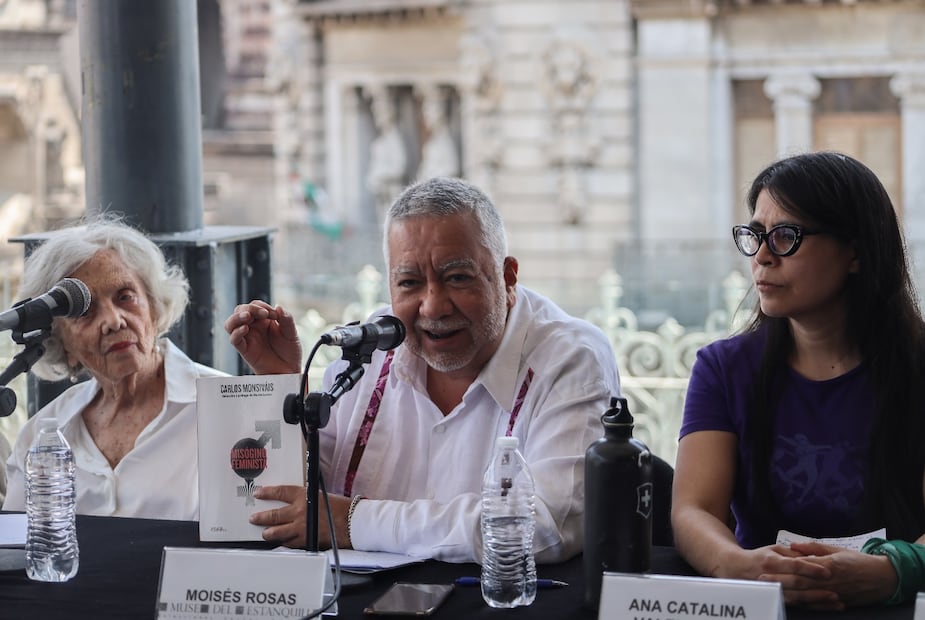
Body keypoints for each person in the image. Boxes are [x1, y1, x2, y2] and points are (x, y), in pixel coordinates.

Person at [224, 176, 621, 563]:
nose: (433, 306)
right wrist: (280, 384)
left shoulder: (570, 357)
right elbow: (302, 503)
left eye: (457, 277)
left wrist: (353, 521)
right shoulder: (373, 346)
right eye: (410, 283)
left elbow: (545, 526)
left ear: (507, 276)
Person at [672, 151, 925, 610]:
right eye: (755, 236)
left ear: (856, 251)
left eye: (786, 236)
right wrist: (738, 565)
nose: (762, 257)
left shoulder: (917, 366)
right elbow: (695, 511)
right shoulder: (723, 368)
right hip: (763, 604)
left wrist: (893, 569)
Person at [3, 218, 226, 520]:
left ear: (154, 307)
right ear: (62, 342)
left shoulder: (225, 405)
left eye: (125, 297)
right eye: (86, 311)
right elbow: (17, 551)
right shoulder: (42, 434)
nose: (114, 320)